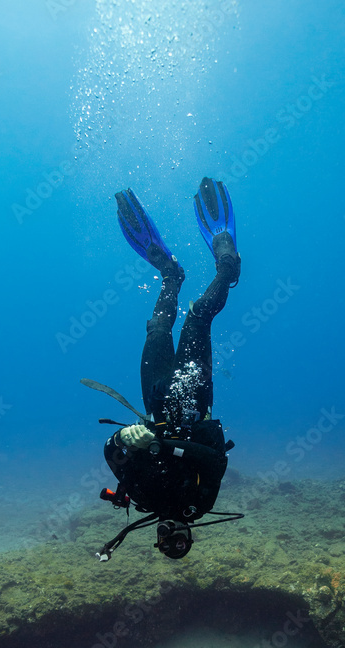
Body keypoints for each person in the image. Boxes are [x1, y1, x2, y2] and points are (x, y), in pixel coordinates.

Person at [87, 177, 243, 560]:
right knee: (197, 320)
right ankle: (228, 264)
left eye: (166, 540)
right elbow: (214, 459)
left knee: (157, 330)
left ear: (156, 539)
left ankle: (171, 275)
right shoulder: (199, 503)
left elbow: (111, 455)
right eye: (181, 540)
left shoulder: (140, 499)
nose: (172, 532)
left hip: (156, 400)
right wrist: (165, 446)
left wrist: (125, 439)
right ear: (189, 533)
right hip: (194, 396)